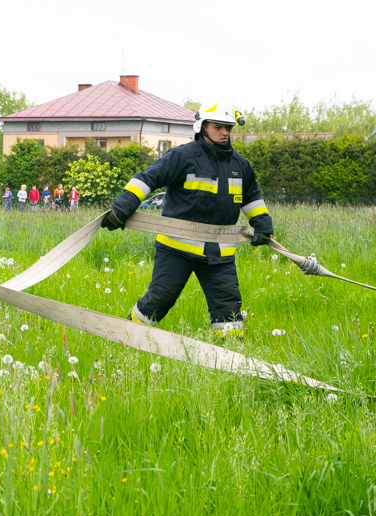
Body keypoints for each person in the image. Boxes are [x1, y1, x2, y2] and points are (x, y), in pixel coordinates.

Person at [102, 102, 272, 341]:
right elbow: (148, 179)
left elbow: (252, 198)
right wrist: (123, 207)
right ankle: (127, 338)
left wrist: (262, 225)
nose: (225, 133)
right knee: (158, 301)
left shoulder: (240, 166)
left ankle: (234, 354)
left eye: (229, 128)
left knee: (228, 309)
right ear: (202, 127)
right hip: (176, 249)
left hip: (219, 254)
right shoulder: (182, 156)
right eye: (219, 127)